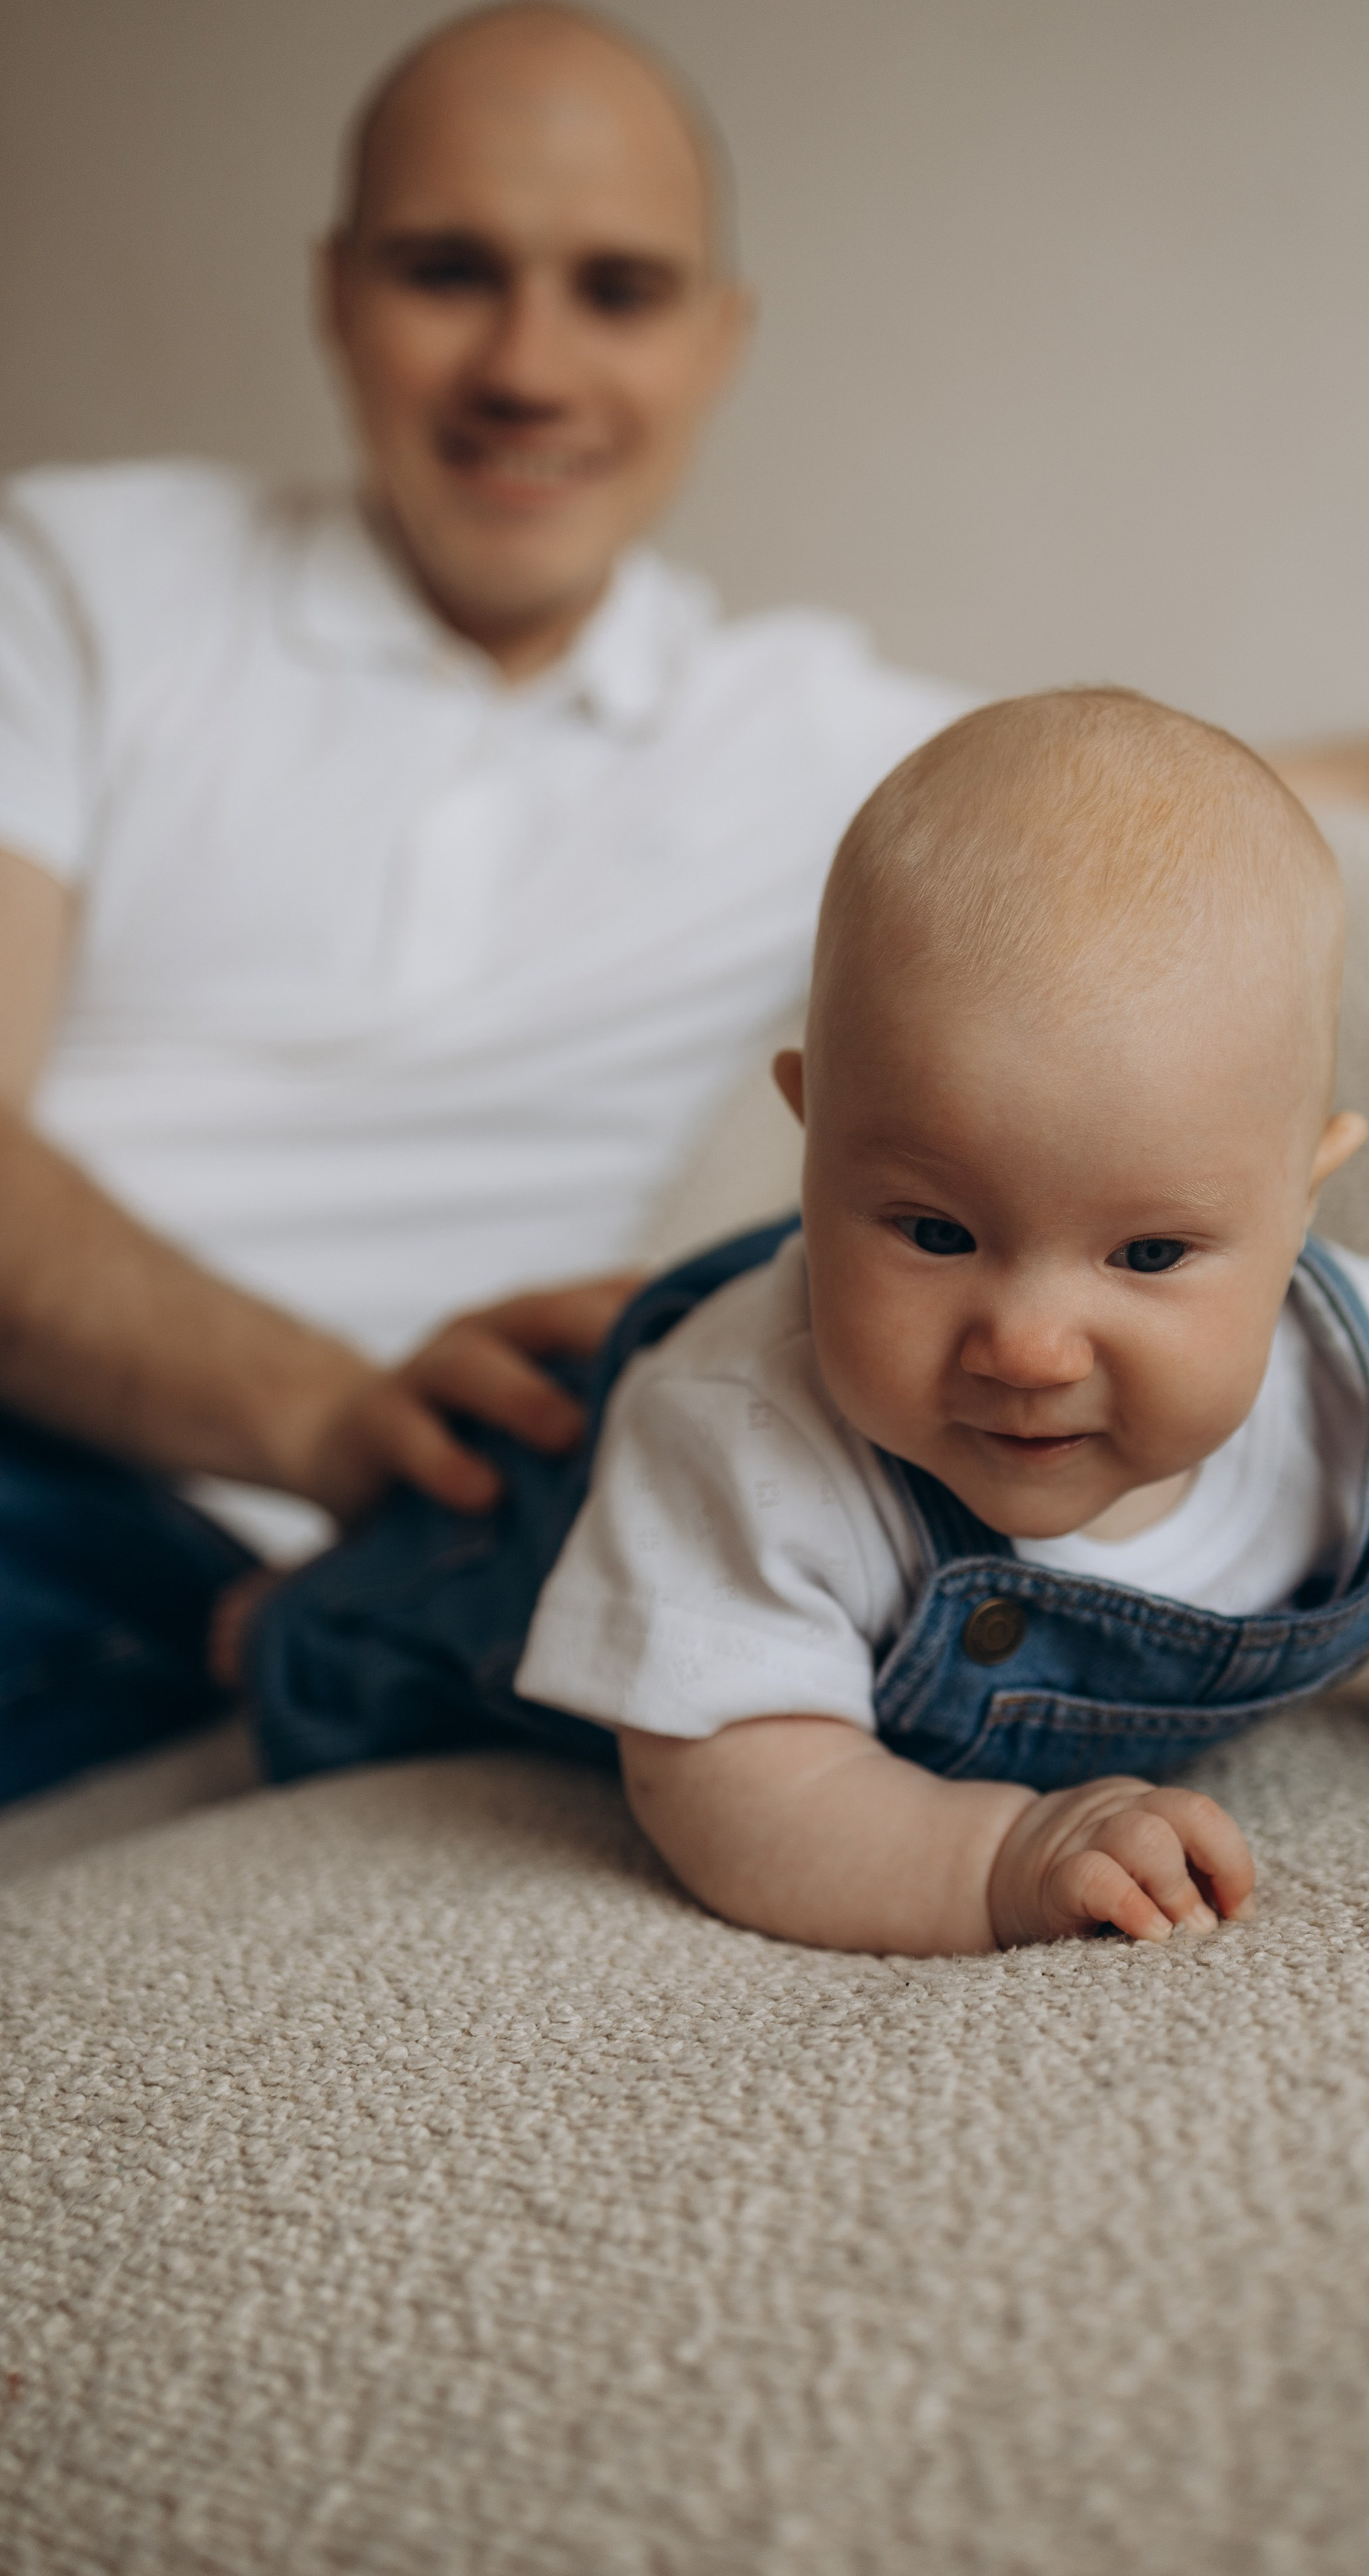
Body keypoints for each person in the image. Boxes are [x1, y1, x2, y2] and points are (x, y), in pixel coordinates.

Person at [246, 692, 1369, 1951]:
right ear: (809, 1141)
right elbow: (732, 1781)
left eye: (1145, 1253)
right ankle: (264, 1618)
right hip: (532, 1537)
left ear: (1299, 1202)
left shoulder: (1355, 1377)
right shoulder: (744, 1434)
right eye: (933, 1233)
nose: (1025, 1342)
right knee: (372, 1632)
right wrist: (995, 1859)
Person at [0, 3, 968, 1804]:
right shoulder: (72, 579)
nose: (527, 366)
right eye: (449, 270)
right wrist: (320, 1412)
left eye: (616, 288)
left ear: (717, 339)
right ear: (337, 292)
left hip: (270, 1580)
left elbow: (1334, 785)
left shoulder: (828, 748)